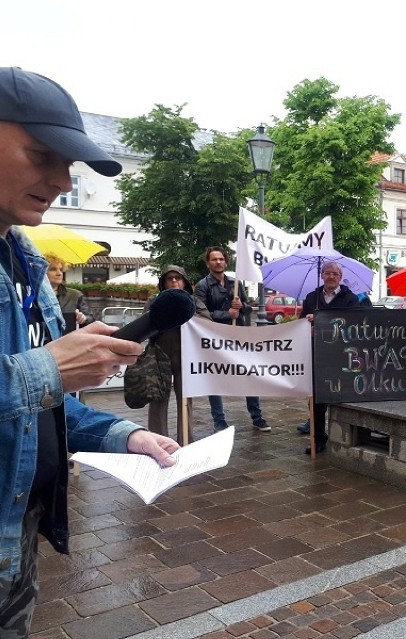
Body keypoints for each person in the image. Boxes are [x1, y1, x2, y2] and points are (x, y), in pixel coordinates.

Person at [0, 66, 179, 637]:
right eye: (40, 154)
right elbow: (35, 377)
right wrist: (47, 367)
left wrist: (124, 436)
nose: (59, 180)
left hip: (19, 527)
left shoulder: (26, 263)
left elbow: (39, 403)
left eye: (68, 164)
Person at [194, 246, 270, 433]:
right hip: (216, 339)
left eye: (221, 259)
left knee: (249, 376)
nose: (218, 262)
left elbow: (248, 310)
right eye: (214, 259)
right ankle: (219, 420)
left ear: (226, 262)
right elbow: (201, 314)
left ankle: (257, 416)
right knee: (215, 378)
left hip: (239, 337)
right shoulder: (202, 286)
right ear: (208, 263)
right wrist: (226, 313)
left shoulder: (235, 283)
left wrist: (242, 305)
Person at [297, 261, 361, 452]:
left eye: (335, 274)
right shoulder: (312, 297)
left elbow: (354, 325)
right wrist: (307, 324)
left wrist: (323, 321)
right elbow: (301, 323)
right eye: (327, 273)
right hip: (317, 355)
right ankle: (317, 438)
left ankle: (345, 436)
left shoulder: (350, 299)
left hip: (342, 356)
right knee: (316, 398)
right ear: (322, 275)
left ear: (340, 277)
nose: (331, 276)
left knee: (342, 396)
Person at [147, 265, 196, 446]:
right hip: (160, 357)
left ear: (184, 281)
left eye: (178, 277)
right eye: (170, 278)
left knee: (185, 401)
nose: (174, 281)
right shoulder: (155, 301)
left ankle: (186, 441)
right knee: (158, 401)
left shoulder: (194, 302)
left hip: (186, 359)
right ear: (164, 282)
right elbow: (145, 324)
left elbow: (207, 324)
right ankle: (158, 443)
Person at [44, 252, 94, 332]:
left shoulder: (75, 296)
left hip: (68, 341)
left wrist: (84, 318)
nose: (59, 273)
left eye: (61, 269)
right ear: (42, 272)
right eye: (53, 269)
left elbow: (91, 319)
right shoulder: (33, 296)